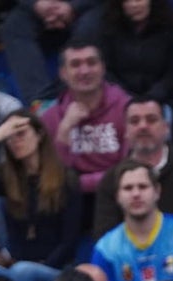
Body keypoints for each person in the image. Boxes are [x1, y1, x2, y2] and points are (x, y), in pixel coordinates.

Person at [0, 110, 82, 281]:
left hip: (57, 270)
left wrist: (42, 265)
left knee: (24, 271)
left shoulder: (66, 179)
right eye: (9, 137)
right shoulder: (7, 178)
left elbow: (69, 241)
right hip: (17, 267)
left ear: (39, 134)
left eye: (21, 133)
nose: (15, 141)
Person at [93, 96, 173, 239]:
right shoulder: (112, 179)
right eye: (134, 121)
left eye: (151, 120)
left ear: (166, 128)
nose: (143, 126)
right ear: (125, 132)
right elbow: (104, 238)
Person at [91, 160, 173, 281]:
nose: (136, 194)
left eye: (143, 187)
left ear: (157, 191)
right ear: (117, 196)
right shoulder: (106, 249)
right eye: (128, 188)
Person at [40, 40, 131, 195]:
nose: (84, 71)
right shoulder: (50, 117)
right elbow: (51, 176)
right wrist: (65, 129)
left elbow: (131, 166)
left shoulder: (126, 108)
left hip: (119, 191)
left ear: (103, 68)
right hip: (71, 198)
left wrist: (81, 184)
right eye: (75, 64)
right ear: (63, 73)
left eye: (91, 63)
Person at [0, 0, 95, 107]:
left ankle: (78, 98)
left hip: (85, 8)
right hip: (38, 9)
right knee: (15, 25)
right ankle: (40, 103)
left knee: (92, 24)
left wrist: (72, 6)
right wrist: (36, 4)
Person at [92, 0, 173, 105]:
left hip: (162, 100)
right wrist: (126, 98)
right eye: (127, 0)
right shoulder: (109, 30)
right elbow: (106, 70)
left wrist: (153, 97)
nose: (134, 5)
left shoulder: (170, 31)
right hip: (120, 100)